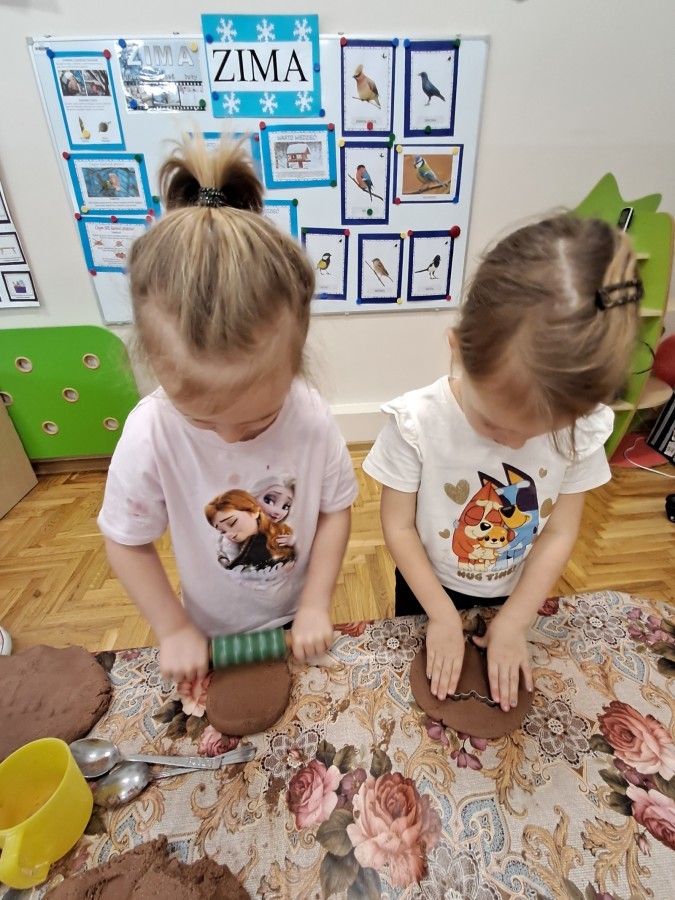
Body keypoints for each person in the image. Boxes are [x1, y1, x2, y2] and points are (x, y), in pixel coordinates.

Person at [98, 134, 358, 683]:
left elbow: (335, 511)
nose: (231, 436)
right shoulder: (150, 434)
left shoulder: (311, 417)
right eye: (201, 419)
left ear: (296, 363)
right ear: (153, 364)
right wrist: (172, 628)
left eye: (259, 418)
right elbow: (126, 540)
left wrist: (317, 602)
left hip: (298, 613)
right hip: (207, 628)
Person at [363, 215, 641, 713]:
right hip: (427, 585)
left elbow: (559, 533)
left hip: (516, 588)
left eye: (536, 432)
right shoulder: (416, 423)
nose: (512, 445)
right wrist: (441, 615)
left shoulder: (579, 429)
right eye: (493, 423)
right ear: (458, 353)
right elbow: (399, 527)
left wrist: (515, 620)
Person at [205, 488, 295, 573]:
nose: (229, 534)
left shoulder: (282, 532)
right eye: (222, 531)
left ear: (254, 512)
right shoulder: (228, 550)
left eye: (232, 523)